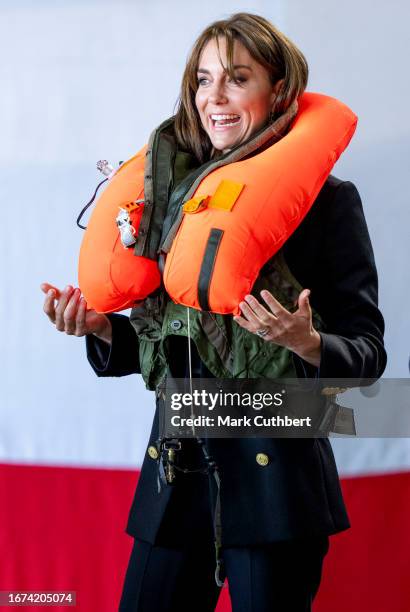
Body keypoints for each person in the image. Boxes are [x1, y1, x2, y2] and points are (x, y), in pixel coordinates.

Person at [41, 13, 387, 612]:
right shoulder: (173, 199)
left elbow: (368, 357)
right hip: (173, 483)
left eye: (236, 78)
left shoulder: (329, 203)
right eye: (202, 80)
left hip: (276, 486)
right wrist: (100, 331)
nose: (213, 98)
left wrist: (308, 342)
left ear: (278, 92)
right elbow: (167, 349)